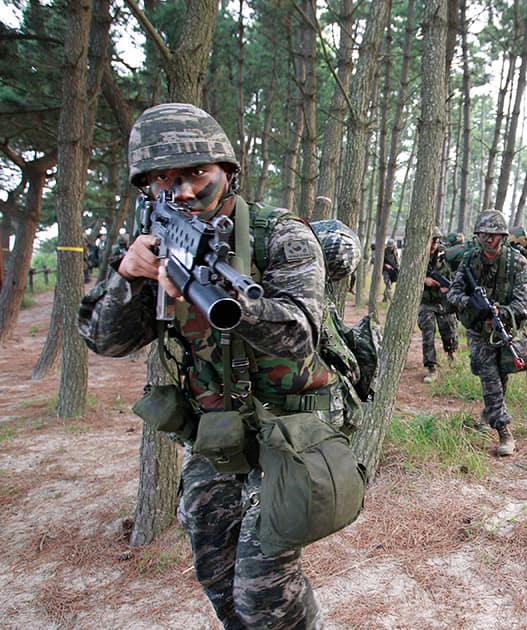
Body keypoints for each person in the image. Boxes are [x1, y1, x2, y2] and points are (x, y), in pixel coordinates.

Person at [78, 103, 356, 629]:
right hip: (217, 435)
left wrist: (226, 299)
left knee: (262, 593)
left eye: (197, 174)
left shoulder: (283, 236)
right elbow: (104, 340)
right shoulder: (151, 243)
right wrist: (129, 276)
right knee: (216, 575)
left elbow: (298, 335)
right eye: (164, 178)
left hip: (291, 428)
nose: (182, 191)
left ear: (229, 172)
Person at [448, 210, 527, 456]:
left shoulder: (517, 263)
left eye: (493, 236)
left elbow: (522, 304)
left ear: (503, 237)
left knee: (500, 372)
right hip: (478, 329)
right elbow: (453, 293)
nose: (487, 240)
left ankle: (490, 412)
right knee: (488, 373)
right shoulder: (470, 261)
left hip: (507, 327)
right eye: (483, 235)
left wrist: (500, 311)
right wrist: (472, 304)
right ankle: (504, 429)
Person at [419, 226, 459, 383]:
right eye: (431, 240)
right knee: (428, 334)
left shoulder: (446, 255)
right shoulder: (417, 254)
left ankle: (451, 354)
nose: (434, 244)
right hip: (426, 302)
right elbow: (406, 274)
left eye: (436, 241)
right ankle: (431, 367)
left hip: (443, 301)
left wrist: (448, 286)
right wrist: (424, 280)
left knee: (449, 331)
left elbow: (455, 274)